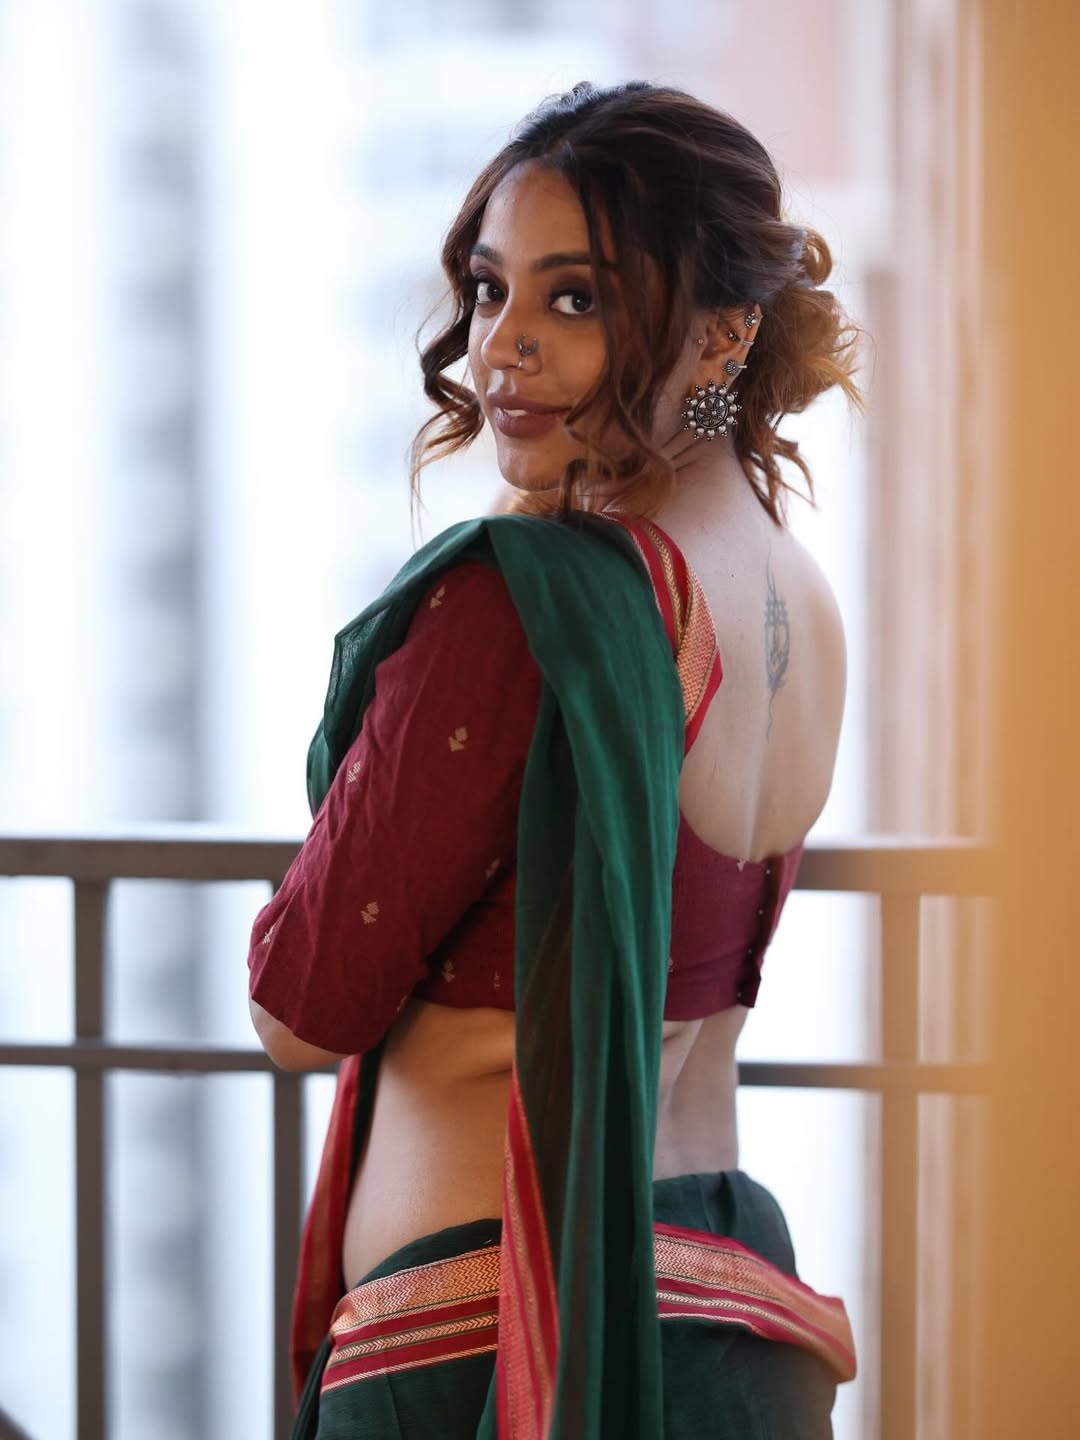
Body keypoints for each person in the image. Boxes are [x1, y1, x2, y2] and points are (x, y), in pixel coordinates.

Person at [248, 80, 860, 1439]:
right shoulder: (800, 596)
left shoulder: (523, 600)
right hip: (735, 1322)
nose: (500, 350)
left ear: (724, 330)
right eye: (488, 290)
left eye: (574, 298)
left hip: (489, 1344)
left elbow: (301, 1012)